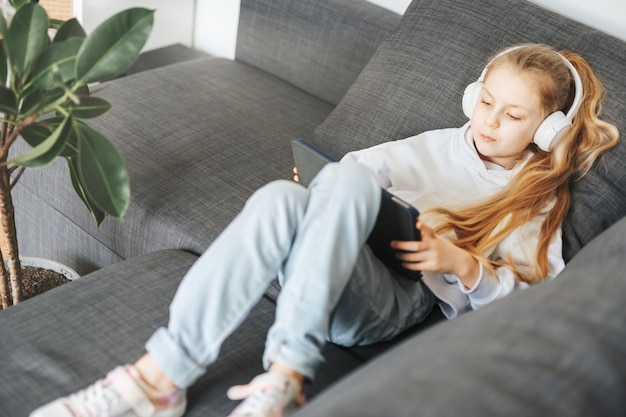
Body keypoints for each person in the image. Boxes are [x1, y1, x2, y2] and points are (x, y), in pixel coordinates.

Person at [31, 43, 619, 417]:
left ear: (548, 130)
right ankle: (158, 379)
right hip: (332, 262)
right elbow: (359, 169)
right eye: (485, 101)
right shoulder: (445, 142)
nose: (488, 122)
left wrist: (463, 265)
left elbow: (540, 301)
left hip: (394, 298)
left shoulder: (534, 201)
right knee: (286, 195)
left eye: (512, 116)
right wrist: (324, 187)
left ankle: (286, 373)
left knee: (345, 184)